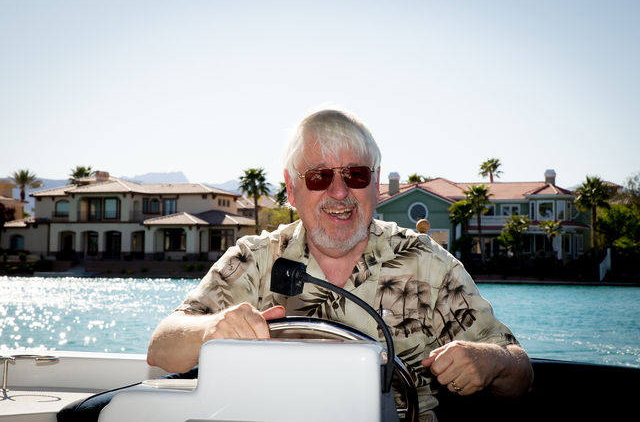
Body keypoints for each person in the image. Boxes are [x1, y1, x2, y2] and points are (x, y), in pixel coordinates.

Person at [146, 105, 534, 421]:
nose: (339, 191)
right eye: (319, 176)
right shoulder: (253, 260)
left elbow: (521, 376)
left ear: (375, 184)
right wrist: (211, 328)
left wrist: (490, 361)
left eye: (355, 174)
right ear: (291, 188)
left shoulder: (429, 264)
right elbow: (161, 348)